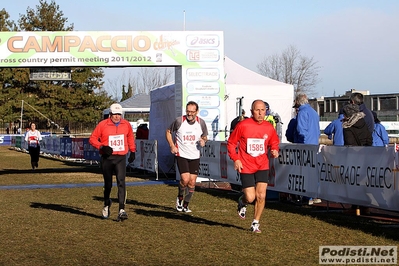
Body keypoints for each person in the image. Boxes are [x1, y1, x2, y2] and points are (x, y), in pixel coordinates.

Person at [227, 100, 279, 233]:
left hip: (262, 165)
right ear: (251, 111)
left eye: (263, 110)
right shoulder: (243, 125)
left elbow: (274, 142)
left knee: (261, 196)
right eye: (257, 110)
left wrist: (274, 150)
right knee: (250, 197)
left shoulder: (269, 127)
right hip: (246, 165)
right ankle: (242, 201)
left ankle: (255, 223)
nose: (260, 113)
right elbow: (231, 143)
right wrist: (236, 159)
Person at [89, 103, 136, 221]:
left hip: (121, 157)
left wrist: (133, 151)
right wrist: (101, 147)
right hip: (107, 158)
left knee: (121, 181)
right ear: (110, 114)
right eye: (114, 114)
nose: (117, 117)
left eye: (119, 114)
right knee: (108, 184)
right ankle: (106, 203)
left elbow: (130, 137)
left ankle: (121, 209)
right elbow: (92, 138)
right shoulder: (102, 125)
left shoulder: (126, 125)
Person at [165, 101, 208, 213]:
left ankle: (186, 204)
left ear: (197, 112)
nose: (189, 114)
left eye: (192, 112)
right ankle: (179, 198)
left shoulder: (201, 123)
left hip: (195, 155)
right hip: (182, 154)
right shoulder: (179, 121)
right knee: (185, 179)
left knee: (192, 182)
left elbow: (204, 136)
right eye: (188, 111)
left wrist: (203, 141)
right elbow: (168, 132)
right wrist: (172, 145)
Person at [294, 93, 321, 204]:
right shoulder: (314, 112)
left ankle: (306, 197)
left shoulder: (302, 112)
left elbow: (301, 130)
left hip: (305, 146)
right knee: (313, 172)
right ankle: (314, 195)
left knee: (304, 172)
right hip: (314, 144)